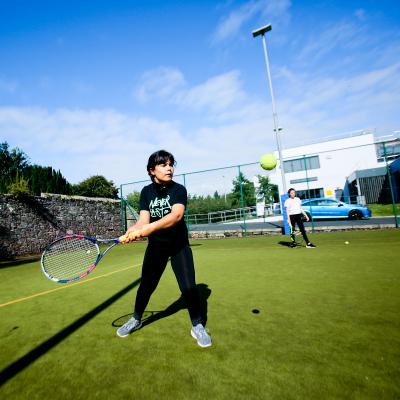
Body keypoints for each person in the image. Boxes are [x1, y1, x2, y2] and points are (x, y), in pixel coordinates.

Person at [116, 150, 212, 348]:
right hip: (156, 248)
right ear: (152, 170)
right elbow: (143, 220)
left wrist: (149, 228)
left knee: (188, 287)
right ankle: (136, 319)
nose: (169, 168)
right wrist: (130, 232)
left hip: (179, 246)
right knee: (146, 286)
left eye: (171, 164)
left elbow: (176, 216)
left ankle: (197, 325)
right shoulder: (146, 192)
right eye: (163, 165)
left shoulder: (178, 190)